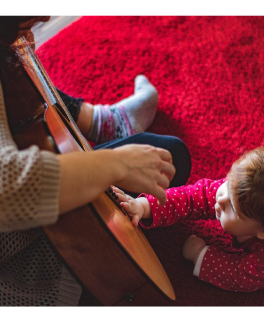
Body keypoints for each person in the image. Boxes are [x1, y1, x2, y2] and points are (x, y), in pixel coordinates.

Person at [0, 16, 191, 305]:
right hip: (24, 269)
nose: (46, 17)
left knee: (168, 156)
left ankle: (102, 122)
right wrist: (114, 166)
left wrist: (96, 172)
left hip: (46, 203)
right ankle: (106, 124)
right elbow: (8, 190)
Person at [113, 132, 264, 292]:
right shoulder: (238, 192)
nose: (220, 198)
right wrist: (145, 206)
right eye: (228, 182)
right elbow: (191, 198)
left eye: (232, 207)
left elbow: (243, 276)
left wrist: (200, 254)